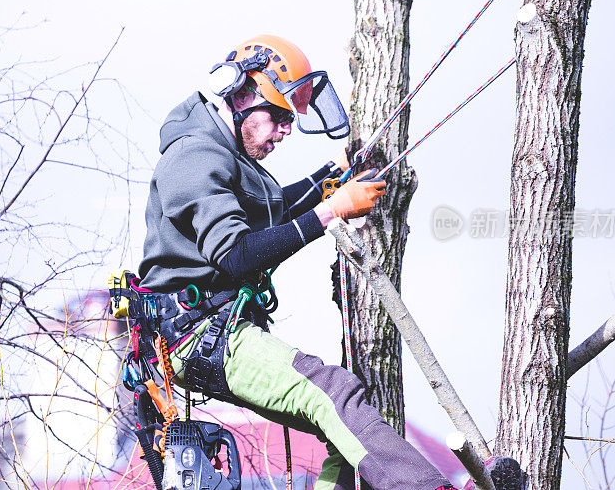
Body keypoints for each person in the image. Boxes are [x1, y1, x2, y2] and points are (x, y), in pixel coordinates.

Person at [136, 34, 456, 490]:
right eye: (279, 117)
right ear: (243, 94)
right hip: (196, 334)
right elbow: (236, 254)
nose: (285, 132)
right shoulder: (194, 154)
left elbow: (270, 211)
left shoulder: (223, 151)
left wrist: (331, 179)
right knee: (333, 393)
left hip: (214, 329)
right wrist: (331, 211)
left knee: (345, 426)